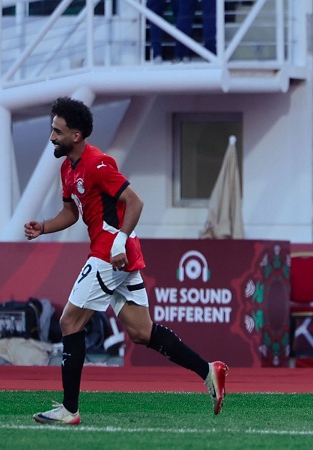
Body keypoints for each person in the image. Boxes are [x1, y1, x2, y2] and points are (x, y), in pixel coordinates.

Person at [24, 97, 228, 425]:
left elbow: (135, 202)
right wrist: (44, 227)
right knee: (142, 332)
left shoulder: (98, 163)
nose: (52, 137)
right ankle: (208, 370)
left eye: (57, 132)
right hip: (118, 254)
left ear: (76, 135)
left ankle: (69, 410)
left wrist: (118, 241)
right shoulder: (67, 168)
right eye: (52, 130)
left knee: (69, 322)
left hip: (110, 253)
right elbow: (72, 213)